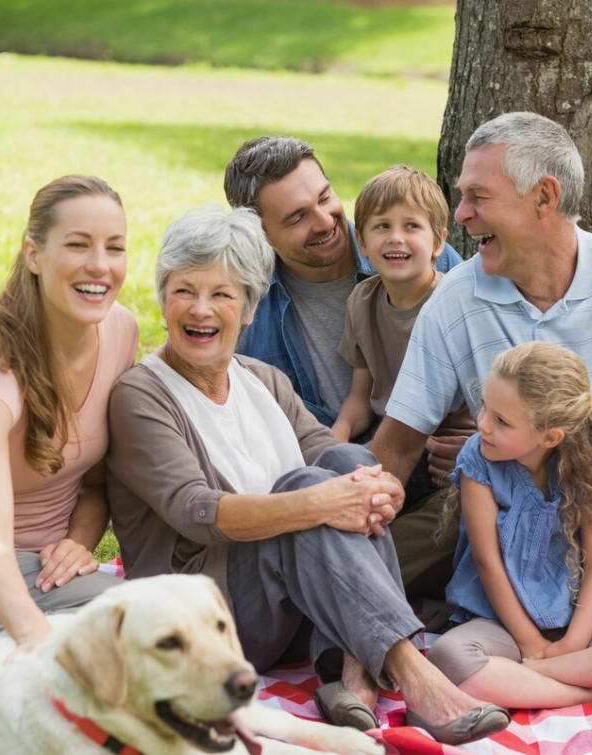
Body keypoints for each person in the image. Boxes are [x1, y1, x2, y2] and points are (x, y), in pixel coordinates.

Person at [106, 206, 510, 746]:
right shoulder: (141, 395)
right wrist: (323, 503)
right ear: (162, 298)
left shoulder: (263, 379)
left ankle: (353, 674)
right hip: (205, 623)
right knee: (308, 489)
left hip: (293, 615)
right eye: (184, 290)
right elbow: (196, 512)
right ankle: (413, 674)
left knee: (347, 464)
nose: (201, 309)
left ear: (249, 309)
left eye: (222, 294)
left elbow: (331, 454)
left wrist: (378, 486)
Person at [373, 111, 592, 619]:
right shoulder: (455, 302)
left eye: (478, 196)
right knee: (345, 570)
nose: (462, 214)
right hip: (510, 525)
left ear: (544, 198)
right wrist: (338, 515)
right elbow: (397, 447)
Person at [0, 175, 139, 700]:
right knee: (128, 626)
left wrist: (78, 542)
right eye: (78, 245)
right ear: (34, 254)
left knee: (140, 629)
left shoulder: (121, 330)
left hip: (42, 567)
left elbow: (96, 487)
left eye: (115, 247)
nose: (100, 266)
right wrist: (34, 633)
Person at [427, 342, 592, 708]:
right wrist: (531, 644)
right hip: (501, 625)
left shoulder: (585, 467)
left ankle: (528, 679)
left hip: (572, 622)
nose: (482, 425)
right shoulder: (478, 457)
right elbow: (487, 564)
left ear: (551, 437)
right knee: (449, 658)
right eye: (485, 409)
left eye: (502, 421)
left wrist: (570, 645)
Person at [223, 136, 463, 428]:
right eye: (298, 217)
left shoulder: (424, 256)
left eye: (324, 197)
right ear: (261, 234)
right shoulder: (247, 304)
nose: (324, 221)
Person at [333, 165, 473, 595]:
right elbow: (361, 398)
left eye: (411, 226)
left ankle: (365, 582)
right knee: (337, 497)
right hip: (387, 447)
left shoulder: (457, 302)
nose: (395, 238)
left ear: (439, 241)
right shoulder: (363, 300)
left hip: (445, 461)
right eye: (381, 226)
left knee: (435, 531)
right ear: (362, 241)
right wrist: (331, 448)